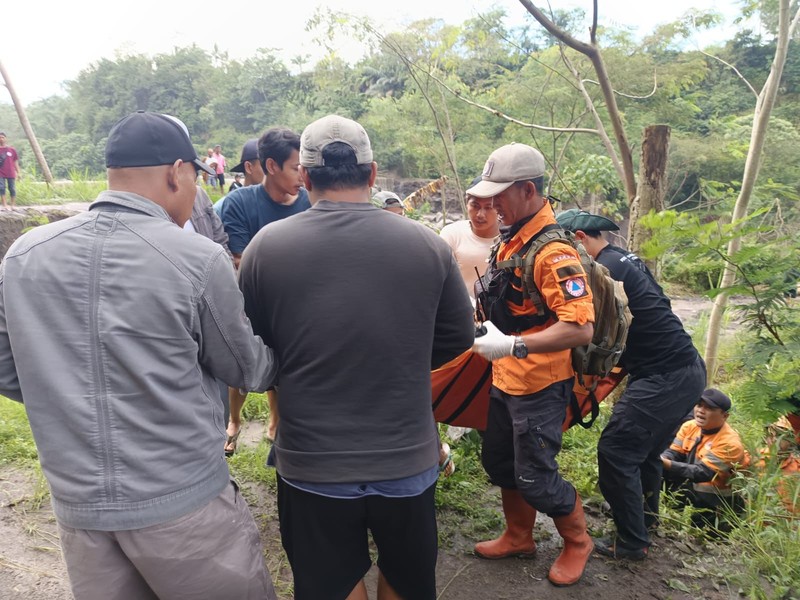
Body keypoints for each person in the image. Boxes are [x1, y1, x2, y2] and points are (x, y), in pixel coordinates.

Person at [0, 111, 279, 599]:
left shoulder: (25, 254)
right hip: (184, 504)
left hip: (80, 509)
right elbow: (245, 368)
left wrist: (67, 395)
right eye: (194, 177)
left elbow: (7, 367)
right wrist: (289, 355)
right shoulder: (195, 257)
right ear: (177, 172)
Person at [238, 114, 474, 600]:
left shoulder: (267, 249)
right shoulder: (428, 247)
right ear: (372, 174)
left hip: (312, 464)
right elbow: (455, 343)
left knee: (330, 585)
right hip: (407, 459)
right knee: (407, 582)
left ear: (304, 177)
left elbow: (255, 349)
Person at [467, 143, 596, 587]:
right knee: (501, 464)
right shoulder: (512, 238)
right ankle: (519, 535)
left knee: (537, 478)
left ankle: (578, 541)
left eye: (498, 195)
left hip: (541, 384)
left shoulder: (554, 252)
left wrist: (515, 346)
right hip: (506, 379)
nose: (490, 204)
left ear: (527, 189)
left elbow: (581, 328)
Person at [556, 208, 707, 560]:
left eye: (563, 247)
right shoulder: (624, 259)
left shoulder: (603, 271)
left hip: (664, 375)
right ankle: (644, 523)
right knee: (645, 453)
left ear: (579, 240)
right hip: (685, 369)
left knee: (616, 451)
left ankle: (631, 542)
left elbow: (589, 329)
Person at [218, 127, 311, 453]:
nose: (302, 176)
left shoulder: (309, 203)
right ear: (271, 166)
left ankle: (275, 423)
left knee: (283, 370)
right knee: (241, 367)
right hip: (250, 304)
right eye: (294, 167)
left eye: (304, 167)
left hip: (294, 308)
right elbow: (243, 261)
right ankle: (235, 420)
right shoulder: (239, 203)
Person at [661, 389, 749, 528]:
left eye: (709, 408)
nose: (701, 411)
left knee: (706, 537)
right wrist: (662, 458)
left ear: (725, 416)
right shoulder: (689, 426)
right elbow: (675, 452)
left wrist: (664, 463)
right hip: (688, 487)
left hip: (715, 500)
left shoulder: (730, 443)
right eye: (699, 405)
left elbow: (704, 473)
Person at [439, 178, 500, 298]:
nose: (480, 214)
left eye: (488, 207)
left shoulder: (511, 239)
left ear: (499, 208)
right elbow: (440, 278)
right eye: (475, 206)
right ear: (467, 203)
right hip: (461, 311)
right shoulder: (452, 234)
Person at [0, 132, 20, 209]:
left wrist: (18, 172)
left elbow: (15, 162)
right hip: (0, 172)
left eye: (2, 137)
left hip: (10, 172)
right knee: (1, 187)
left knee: (12, 188)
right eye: (0, 137)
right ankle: (5, 205)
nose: (1, 139)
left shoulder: (12, 149)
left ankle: (13, 205)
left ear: (6, 138)